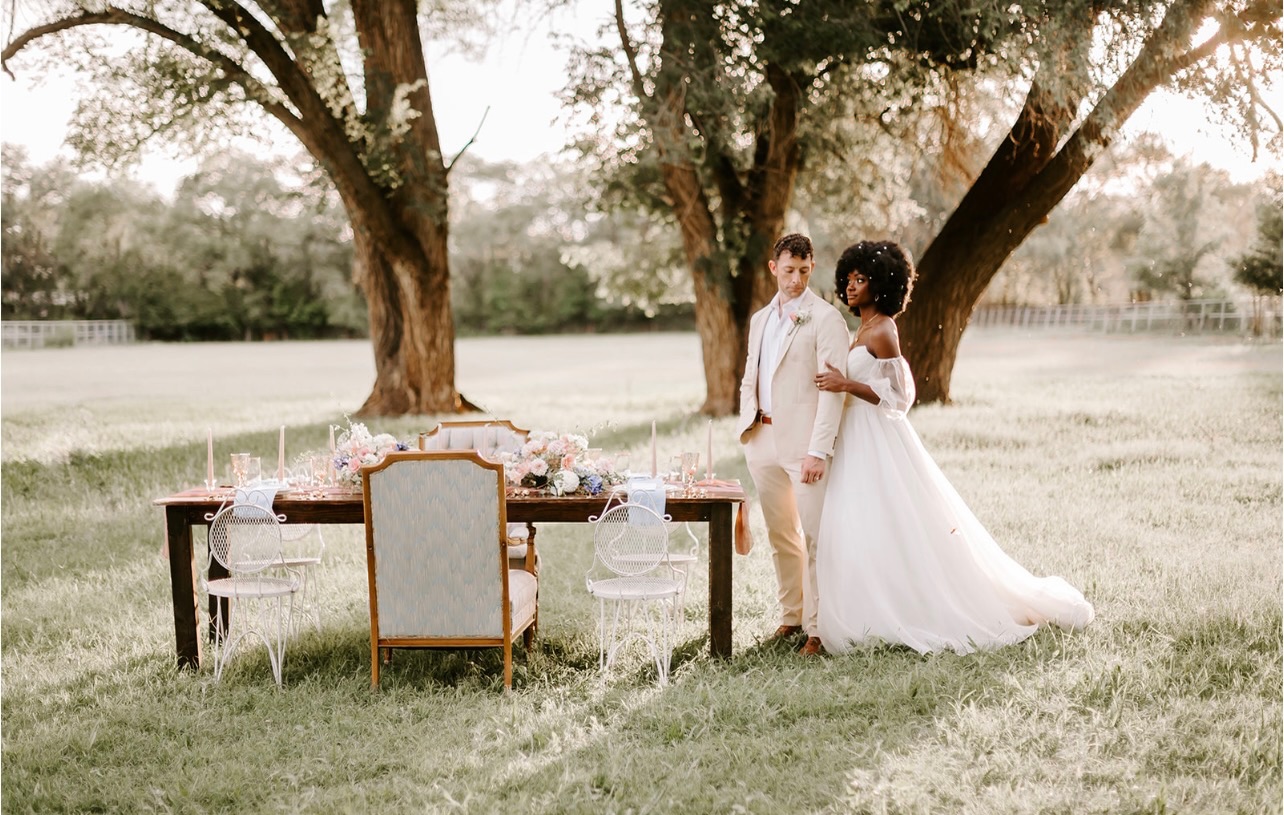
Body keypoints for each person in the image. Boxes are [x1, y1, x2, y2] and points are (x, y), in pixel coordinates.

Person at [813, 241, 1094, 654]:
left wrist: (847, 384)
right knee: (858, 521)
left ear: (881, 283)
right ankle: (869, 609)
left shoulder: (884, 329)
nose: (852, 286)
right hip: (855, 436)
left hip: (878, 437)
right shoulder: (860, 330)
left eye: (861, 279)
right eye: (849, 279)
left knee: (892, 518)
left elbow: (900, 397)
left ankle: (911, 609)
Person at [738, 233, 852, 656]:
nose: (796, 280)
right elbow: (752, 375)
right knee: (781, 534)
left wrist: (818, 450)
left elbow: (833, 392)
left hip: (805, 445)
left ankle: (820, 629)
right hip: (761, 437)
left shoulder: (826, 319)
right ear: (774, 268)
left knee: (816, 536)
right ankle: (792, 617)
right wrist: (747, 427)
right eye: (788, 271)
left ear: (812, 268)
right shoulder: (759, 320)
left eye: (804, 271)